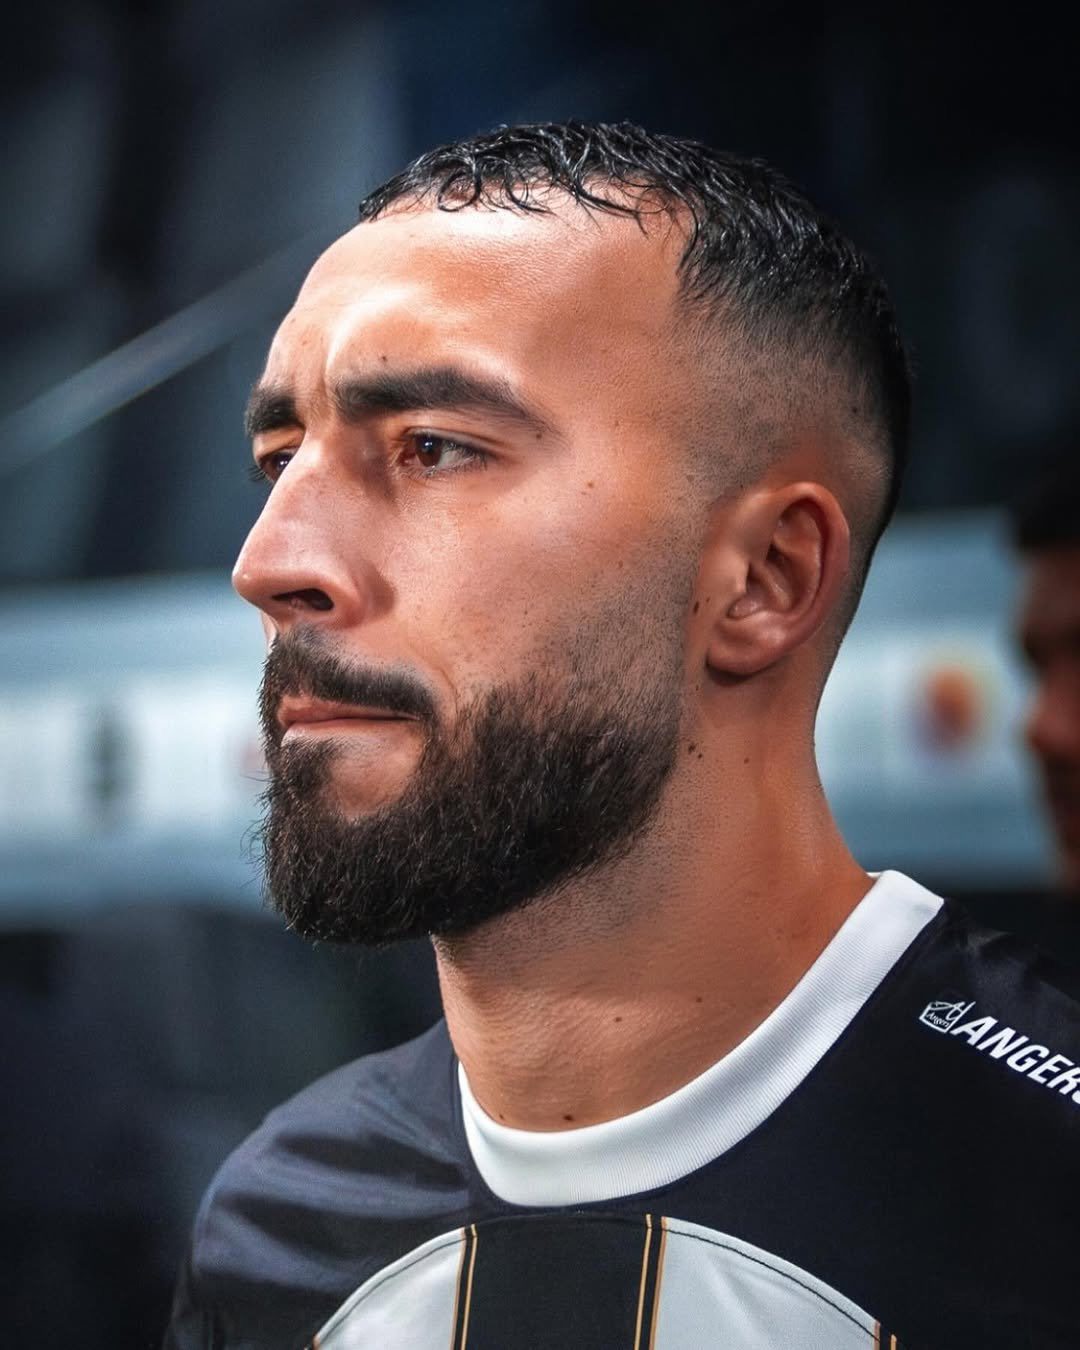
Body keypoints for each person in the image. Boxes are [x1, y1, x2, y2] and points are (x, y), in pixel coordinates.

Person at [165, 123, 1080, 1350]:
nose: (270, 562)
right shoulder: (275, 1227)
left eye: (433, 448)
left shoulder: (1044, 1178)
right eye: (280, 458)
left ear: (763, 577)